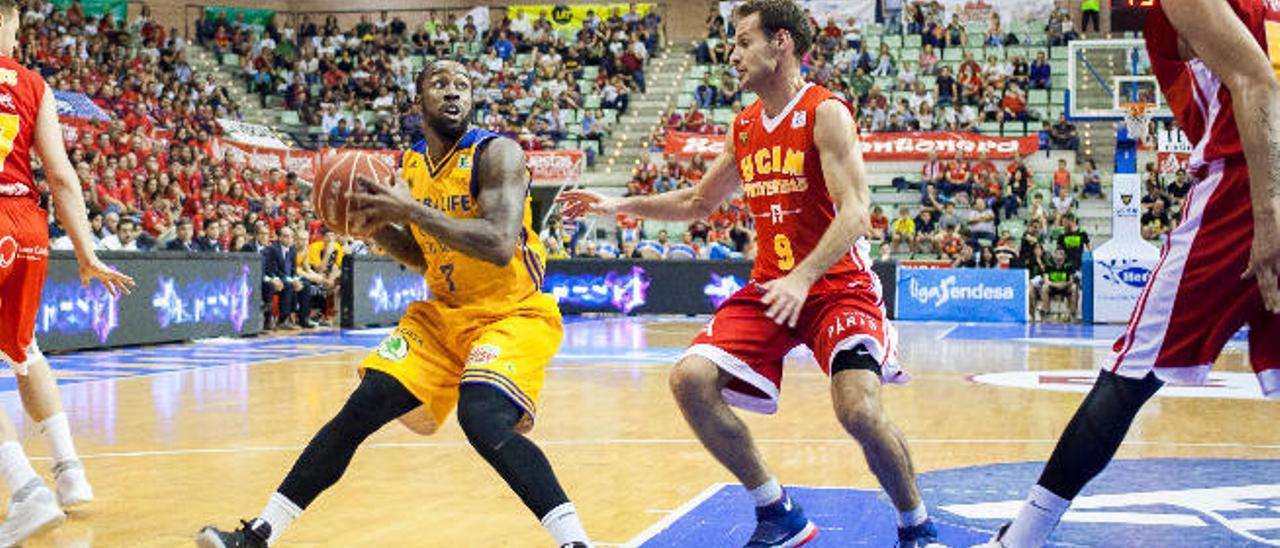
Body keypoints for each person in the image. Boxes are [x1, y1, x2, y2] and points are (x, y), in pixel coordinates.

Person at [558, 2, 940, 546]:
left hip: (836, 287)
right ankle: (777, 511)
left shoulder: (825, 112)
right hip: (772, 286)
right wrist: (614, 204)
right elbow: (696, 202)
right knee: (690, 378)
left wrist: (804, 277)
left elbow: (856, 213)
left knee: (857, 409)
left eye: (742, 42)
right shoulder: (743, 128)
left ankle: (916, 527)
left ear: (780, 42)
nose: (732, 55)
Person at [197, 60, 591, 548]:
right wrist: (373, 225)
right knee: (358, 411)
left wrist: (407, 210)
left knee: (483, 417)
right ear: (416, 101)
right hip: (442, 317)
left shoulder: (497, 153)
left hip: (512, 315)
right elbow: (421, 255)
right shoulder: (409, 167)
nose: (453, 93)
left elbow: (498, 243)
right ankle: (259, 534)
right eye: (440, 84)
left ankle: (577, 542)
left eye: (463, 86)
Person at [982, 0, 1280, 545]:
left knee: (1130, 372)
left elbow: (1258, 83)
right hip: (1264, 171)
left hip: (1245, 189)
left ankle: (1022, 536)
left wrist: (1269, 214)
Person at [0, 0, 135, 543]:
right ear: (9, 25)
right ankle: (69, 471)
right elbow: (60, 176)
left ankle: (25, 492)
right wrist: (85, 252)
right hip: (28, 229)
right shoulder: (32, 84)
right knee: (24, 350)